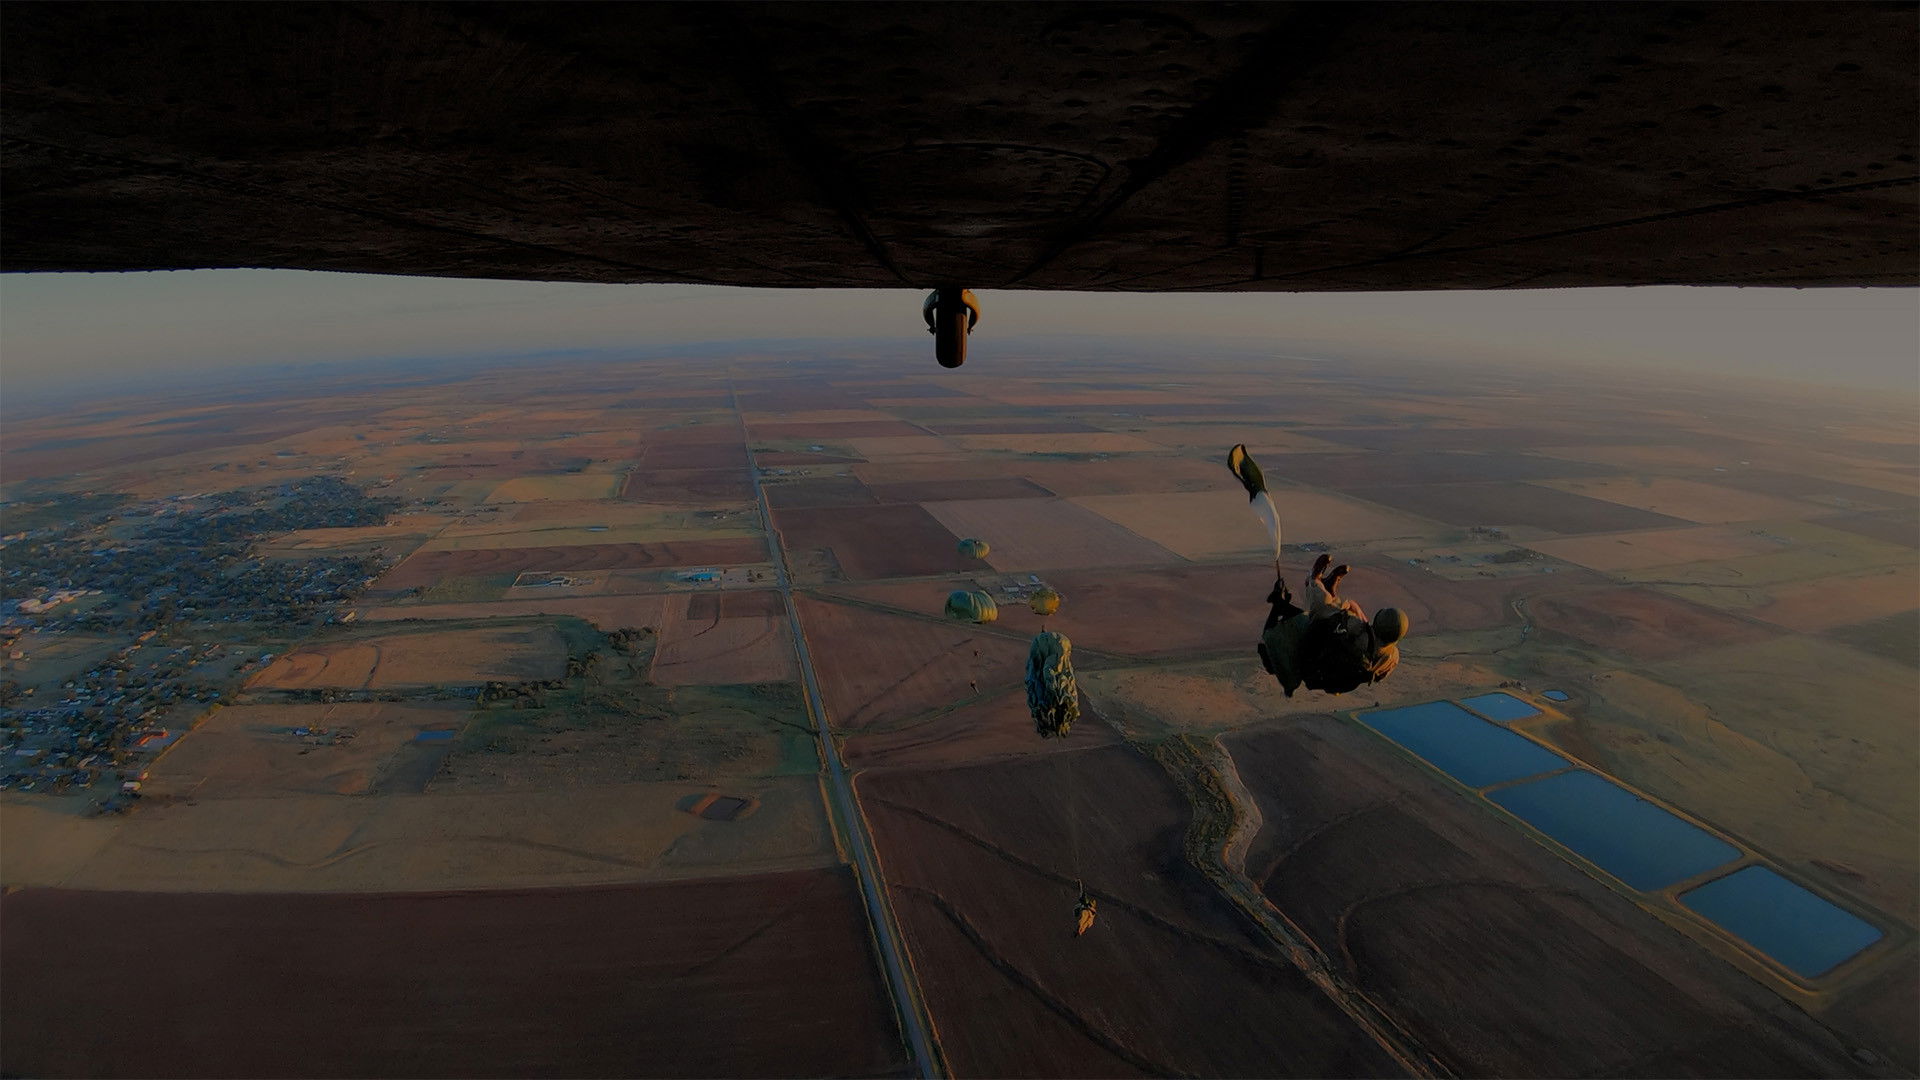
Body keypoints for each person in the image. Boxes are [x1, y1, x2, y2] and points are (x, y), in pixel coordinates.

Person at [1257, 553, 1408, 697]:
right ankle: (1330, 590)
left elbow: (1326, 615)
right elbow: (1378, 675)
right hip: (1331, 678)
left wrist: (1349, 606)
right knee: (1340, 613)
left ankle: (1314, 581)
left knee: (1322, 609)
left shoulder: (1357, 632)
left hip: (1316, 662)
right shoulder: (1392, 657)